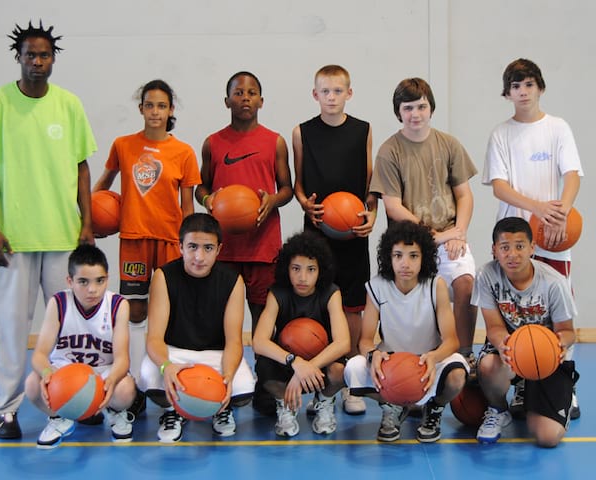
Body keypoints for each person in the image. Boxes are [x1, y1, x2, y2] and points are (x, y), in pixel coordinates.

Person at [0, 20, 97, 439]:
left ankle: (80, 399)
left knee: (72, 326)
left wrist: (86, 222)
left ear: (54, 59)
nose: (37, 61)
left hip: (62, 235)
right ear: (18, 58)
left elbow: (81, 167)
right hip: (13, 240)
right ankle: (5, 409)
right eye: (30, 55)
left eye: (44, 55)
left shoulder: (69, 105)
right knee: (9, 328)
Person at [482, 58, 583, 419]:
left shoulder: (558, 128)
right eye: (515, 86)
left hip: (554, 236)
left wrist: (561, 212)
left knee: (557, 314)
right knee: (516, 314)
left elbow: (572, 174)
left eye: (528, 85)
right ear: (507, 93)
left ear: (539, 87)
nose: (522, 92)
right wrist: (538, 207)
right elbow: (499, 186)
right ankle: (523, 381)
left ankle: (564, 385)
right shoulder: (502, 133)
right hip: (514, 237)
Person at [92, 79, 201, 412]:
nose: (155, 111)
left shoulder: (183, 152)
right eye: (150, 105)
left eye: (162, 106)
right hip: (134, 240)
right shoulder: (123, 145)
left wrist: (190, 242)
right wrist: (93, 216)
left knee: (168, 315)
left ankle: (166, 383)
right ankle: (136, 385)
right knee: (135, 311)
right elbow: (103, 187)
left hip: (170, 240)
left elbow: (188, 207)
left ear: (171, 111)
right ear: (141, 108)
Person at [195, 71, 293, 416]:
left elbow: (288, 188)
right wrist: (209, 201)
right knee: (222, 324)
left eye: (252, 93)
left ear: (262, 101)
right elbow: (200, 187)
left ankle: (267, 390)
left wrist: (272, 201)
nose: (246, 98)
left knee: (265, 324)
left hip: (264, 247)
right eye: (238, 93)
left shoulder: (275, 141)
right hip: (224, 251)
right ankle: (215, 387)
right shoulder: (212, 142)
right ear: (227, 101)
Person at [370, 77, 478, 377]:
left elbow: (464, 195)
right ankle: (414, 358)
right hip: (409, 244)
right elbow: (392, 205)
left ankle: (464, 355)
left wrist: (460, 232)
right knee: (414, 302)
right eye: (408, 108)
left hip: (449, 237)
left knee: (466, 284)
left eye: (421, 106)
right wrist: (432, 237)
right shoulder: (389, 151)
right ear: (398, 112)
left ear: (431, 108)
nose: (415, 114)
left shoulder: (449, 144)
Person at [292, 64, 376, 415]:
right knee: (319, 304)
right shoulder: (301, 132)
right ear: (315, 95)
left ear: (349, 93)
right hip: (317, 233)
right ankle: (321, 384)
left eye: (337, 91)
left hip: (353, 230)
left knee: (353, 305)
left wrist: (371, 214)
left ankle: (351, 384)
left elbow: (371, 184)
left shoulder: (363, 130)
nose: (331, 97)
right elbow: (298, 183)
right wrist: (303, 204)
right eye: (324, 91)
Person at [344, 220, 468, 443]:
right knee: (353, 367)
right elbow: (364, 340)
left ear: (424, 258)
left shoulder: (435, 285)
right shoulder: (377, 285)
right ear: (388, 257)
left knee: (457, 375)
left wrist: (434, 356)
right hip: (391, 365)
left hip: (427, 362)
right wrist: (373, 355)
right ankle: (392, 405)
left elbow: (451, 341)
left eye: (413, 256)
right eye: (398, 255)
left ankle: (434, 408)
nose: (405, 263)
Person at [139, 213, 255, 443]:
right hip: (175, 353)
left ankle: (220, 409)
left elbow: (234, 341)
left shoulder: (233, 281)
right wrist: (166, 366)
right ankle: (173, 412)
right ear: (180, 246)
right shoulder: (164, 276)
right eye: (192, 246)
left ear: (219, 249)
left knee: (243, 390)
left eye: (208, 248)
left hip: (216, 354)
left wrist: (229, 375)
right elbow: (154, 338)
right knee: (149, 380)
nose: (199, 257)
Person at [471, 217, 578, 447]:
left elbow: (569, 332)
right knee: (488, 365)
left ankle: (534, 392)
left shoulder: (553, 282)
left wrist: (558, 344)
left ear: (532, 248)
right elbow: (494, 327)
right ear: (494, 250)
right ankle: (499, 409)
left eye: (520, 246)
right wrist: (505, 346)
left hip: (544, 355)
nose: (512, 254)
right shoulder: (486, 276)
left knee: (548, 438)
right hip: (510, 346)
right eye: (505, 247)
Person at [24, 245, 136, 448]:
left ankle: (115, 412)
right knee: (32, 384)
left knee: (126, 390)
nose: (92, 289)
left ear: (107, 279)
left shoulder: (118, 304)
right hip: (65, 374)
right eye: (83, 282)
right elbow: (39, 354)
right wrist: (48, 372)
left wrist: (111, 379)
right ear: (70, 281)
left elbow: (122, 359)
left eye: (99, 281)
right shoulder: (59, 302)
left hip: (101, 375)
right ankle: (61, 416)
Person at [252, 232, 350, 437]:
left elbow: (343, 343)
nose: (303, 277)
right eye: (296, 269)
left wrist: (309, 366)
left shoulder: (331, 293)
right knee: (263, 367)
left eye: (311, 269)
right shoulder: (277, 293)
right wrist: (295, 363)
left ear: (320, 271)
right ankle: (285, 406)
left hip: (319, 365)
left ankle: (324, 401)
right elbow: (259, 342)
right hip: (288, 363)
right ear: (286, 269)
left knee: (341, 370)